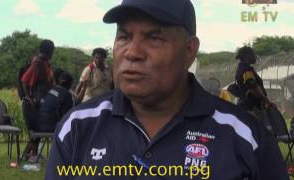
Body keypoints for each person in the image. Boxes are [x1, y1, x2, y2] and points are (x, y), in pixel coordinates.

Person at [46, 0, 288, 179]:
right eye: (124, 36)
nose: (132, 52)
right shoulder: (77, 128)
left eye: (154, 38)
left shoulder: (245, 137)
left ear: (189, 50)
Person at [21, 39, 55, 161]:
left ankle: (29, 155)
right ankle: (32, 156)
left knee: (38, 130)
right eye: (52, 50)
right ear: (49, 51)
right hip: (33, 104)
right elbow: (24, 80)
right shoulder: (38, 63)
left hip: (40, 102)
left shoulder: (45, 63)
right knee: (36, 131)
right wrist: (29, 97)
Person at [235, 46, 272, 114]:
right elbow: (253, 88)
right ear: (247, 56)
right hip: (251, 109)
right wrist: (267, 101)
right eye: (253, 54)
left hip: (246, 107)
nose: (255, 56)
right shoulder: (246, 70)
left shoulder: (241, 68)